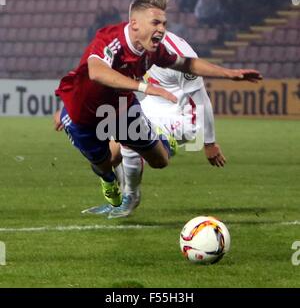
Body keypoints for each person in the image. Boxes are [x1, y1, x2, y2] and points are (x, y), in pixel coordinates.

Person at [55, 0, 262, 212]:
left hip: (132, 109)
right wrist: (145, 87)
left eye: (164, 24)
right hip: (86, 113)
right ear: (134, 23)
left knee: (160, 161)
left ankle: (140, 175)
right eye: (156, 23)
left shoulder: (156, 50)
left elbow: (189, 66)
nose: (161, 29)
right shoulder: (110, 40)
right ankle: (112, 184)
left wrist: (228, 74)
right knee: (106, 162)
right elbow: (95, 72)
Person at [81, 31, 227, 219]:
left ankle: (131, 197)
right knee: (108, 153)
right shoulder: (132, 46)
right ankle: (115, 202)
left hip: (182, 116)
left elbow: (202, 100)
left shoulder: (179, 55)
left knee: (130, 134)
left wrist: (209, 143)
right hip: (152, 105)